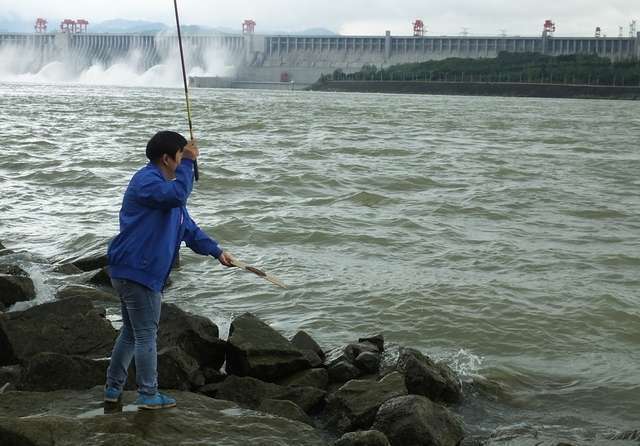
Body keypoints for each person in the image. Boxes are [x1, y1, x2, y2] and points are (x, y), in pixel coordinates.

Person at [104, 131, 233, 410]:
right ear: (167, 158)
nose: (183, 160)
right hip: (137, 270)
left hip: (131, 269)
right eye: (179, 156)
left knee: (130, 332)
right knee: (146, 334)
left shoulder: (166, 191)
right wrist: (189, 162)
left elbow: (190, 229)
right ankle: (148, 394)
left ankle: (113, 389)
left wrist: (218, 252)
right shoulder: (148, 181)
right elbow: (177, 196)